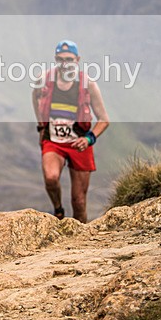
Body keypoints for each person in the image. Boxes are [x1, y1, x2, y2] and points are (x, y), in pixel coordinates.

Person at [31, 40, 109, 223]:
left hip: (79, 143)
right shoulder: (44, 79)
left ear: (77, 60)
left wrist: (89, 139)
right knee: (50, 178)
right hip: (54, 141)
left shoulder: (88, 85)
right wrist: (41, 126)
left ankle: (81, 243)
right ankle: (58, 210)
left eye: (68, 59)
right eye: (60, 59)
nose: (64, 64)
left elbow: (104, 119)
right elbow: (35, 98)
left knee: (79, 201)